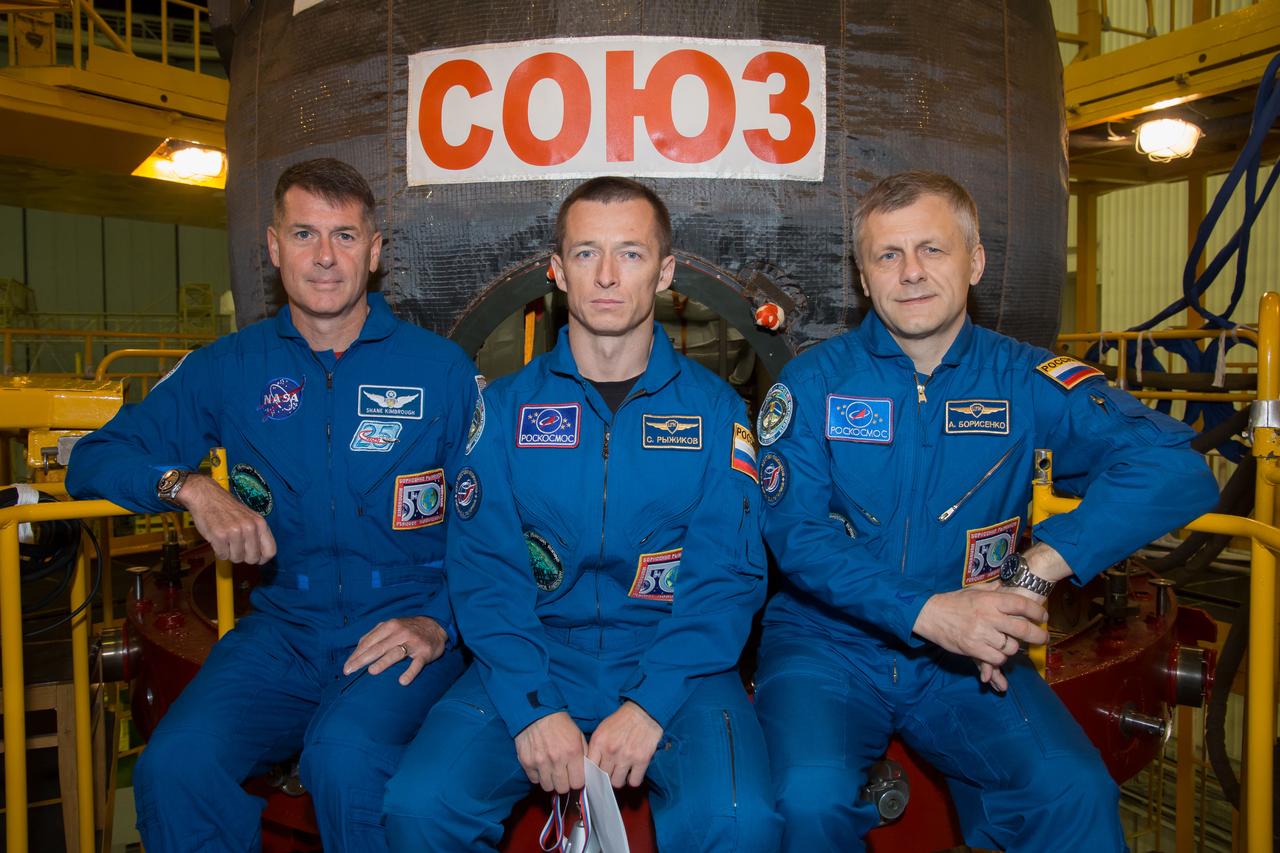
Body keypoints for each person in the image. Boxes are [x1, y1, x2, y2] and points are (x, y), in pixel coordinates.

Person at [753, 170, 1219, 852]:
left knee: (1073, 791)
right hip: (828, 644)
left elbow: (1177, 469)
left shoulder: (1023, 380)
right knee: (806, 802)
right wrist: (928, 611)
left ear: (974, 262)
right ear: (863, 278)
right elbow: (795, 533)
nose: (911, 272)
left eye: (932, 249)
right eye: (888, 255)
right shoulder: (814, 382)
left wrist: (1038, 568)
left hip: (970, 651)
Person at [67, 158, 479, 852]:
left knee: (345, 762)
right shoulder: (230, 367)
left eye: (345, 236)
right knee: (174, 766)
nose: (325, 257)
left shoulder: (441, 372)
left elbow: (491, 520)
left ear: (375, 252)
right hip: (285, 629)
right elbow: (94, 456)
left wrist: (440, 620)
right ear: (273, 247)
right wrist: (189, 487)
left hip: (403, 625)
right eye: (304, 234)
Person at [383, 176, 782, 851]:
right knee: (421, 806)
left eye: (631, 253)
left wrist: (651, 703)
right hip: (535, 653)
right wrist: (532, 706)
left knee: (739, 820)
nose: (606, 275)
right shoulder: (503, 410)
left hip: (677, 659)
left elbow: (727, 580)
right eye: (586, 252)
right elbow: (484, 574)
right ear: (557, 270)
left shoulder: (716, 412)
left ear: (665, 272)